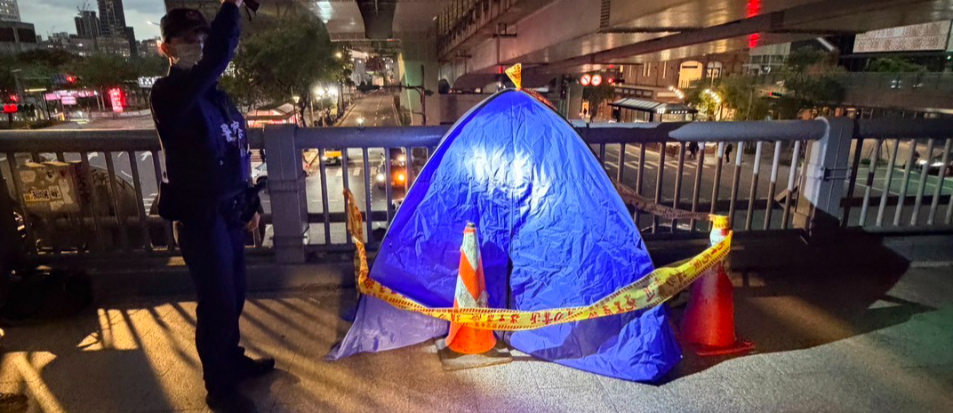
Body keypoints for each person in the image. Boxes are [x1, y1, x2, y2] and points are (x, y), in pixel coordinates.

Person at [150, 2, 273, 412]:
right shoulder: (169, 94)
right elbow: (218, 57)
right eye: (187, 39)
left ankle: (231, 361)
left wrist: (250, 202)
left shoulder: (217, 97)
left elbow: (236, 151)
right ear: (166, 48)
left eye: (202, 37)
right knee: (217, 301)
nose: (198, 44)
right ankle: (219, 387)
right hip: (201, 217)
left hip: (229, 213)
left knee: (234, 293)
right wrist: (231, 7)